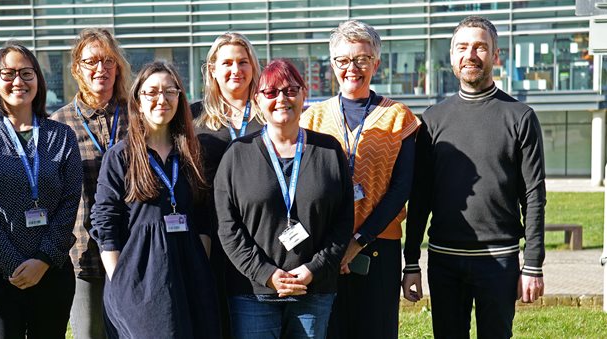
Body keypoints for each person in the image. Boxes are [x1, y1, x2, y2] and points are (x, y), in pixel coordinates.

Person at [402, 16, 546, 339]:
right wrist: (411, 261)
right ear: (452, 56)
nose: (471, 55)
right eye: (462, 47)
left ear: (495, 56)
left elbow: (534, 196)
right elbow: (420, 196)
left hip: (499, 262)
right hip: (444, 261)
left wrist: (533, 262)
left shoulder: (520, 117)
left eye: (480, 47)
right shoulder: (431, 121)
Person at [215, 59, 353, 339]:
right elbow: (227, 227)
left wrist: (314, 269)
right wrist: (266, 273)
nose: (281, 99)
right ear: (257, 100)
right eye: (271, 92)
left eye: (291, 90)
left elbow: (343, 220)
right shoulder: (237, 154)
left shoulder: (328, 150)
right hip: (254, 293)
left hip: (312, 290)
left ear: (304, 94)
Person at [299, 20, 420, 338]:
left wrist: (358, 240)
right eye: (343, 60)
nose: (352, 67)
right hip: (324, 250)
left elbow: (401, 189)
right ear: (333, 64)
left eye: (362, 59)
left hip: (378, 247)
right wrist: (334, 247)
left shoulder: (399, 117)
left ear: (376, 63)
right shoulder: (311, 118)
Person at [91, 61, 219, 338]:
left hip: (190, 274)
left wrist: (201, 263)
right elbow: (105, 221)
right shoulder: (120, 156)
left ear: (180, 98)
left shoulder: (192, 154)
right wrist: (121, 278)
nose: (162, 99)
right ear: (138, 99)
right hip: (140, 279)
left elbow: (203, 214)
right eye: (152, 92)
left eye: (170, 91)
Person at [0, 42, 83, 338]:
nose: (18, 81)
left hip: (52, 271)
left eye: (27, 73)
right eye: (8, 73)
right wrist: (12, 264)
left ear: (38, 79)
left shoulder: (62, 136)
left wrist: (43, 261)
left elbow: (69, 204)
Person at [50, 27, 131, 339]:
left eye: (109, 61)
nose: (102, 69)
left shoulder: (137, 117)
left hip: (133, 251)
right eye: (92, 61)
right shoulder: (59, 124)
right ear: (77, 69)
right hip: (83, 257)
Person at [193, 32, 264, 337]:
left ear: (253, 67)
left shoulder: (269, 112)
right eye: (227, 63)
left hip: (259, 232)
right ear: (212, 69)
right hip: (208, 231)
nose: (236, 70)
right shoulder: (193, 116)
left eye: (243, 62)